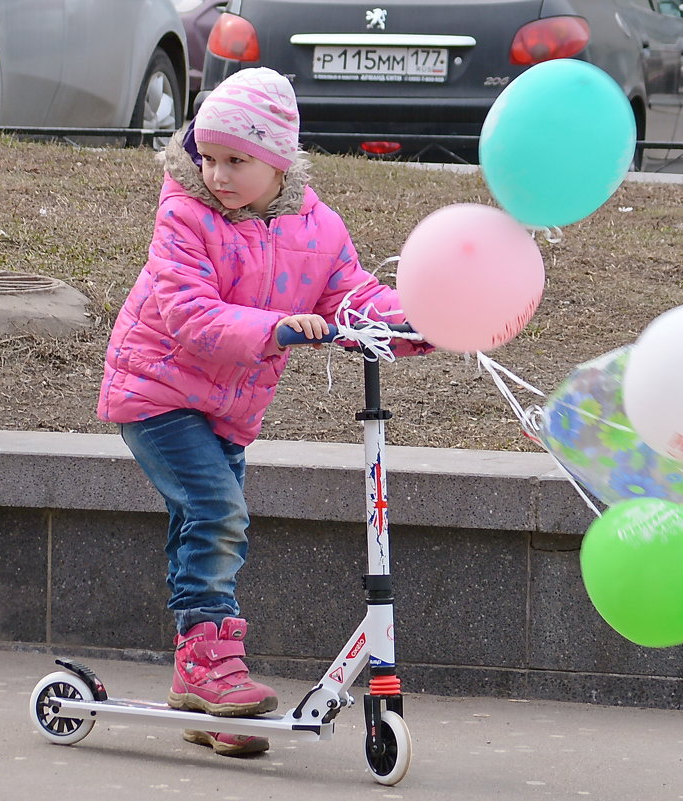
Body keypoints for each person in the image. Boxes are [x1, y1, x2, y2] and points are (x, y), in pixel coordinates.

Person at [97, 67, 428, 757]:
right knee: (216, 512)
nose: (216, 173)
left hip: (225, 406)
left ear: (279, 161)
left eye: (236, 161)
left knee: (208, 521)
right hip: (157, 390)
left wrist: (421, 320)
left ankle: (201, 687)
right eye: (208, 157)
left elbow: (353, 296)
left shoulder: (319, 228)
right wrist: (276, 327)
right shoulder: (184, 214)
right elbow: (189, 317)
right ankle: (209, 669)